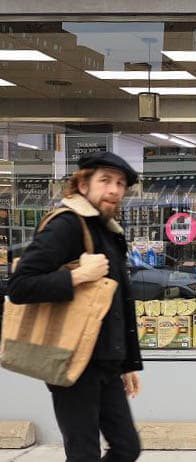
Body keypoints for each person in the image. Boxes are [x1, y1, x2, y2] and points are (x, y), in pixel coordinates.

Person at [8, 152, 143, 462]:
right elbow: (20, 286)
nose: (114, 190)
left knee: (127, 448)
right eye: (105, 180)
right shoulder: (67, 225)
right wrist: (78, 275)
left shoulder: (107, 230)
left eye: (120, 184)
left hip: (105, 362)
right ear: (83, 185)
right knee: (83, 454)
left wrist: (127, 364)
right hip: (72, 361)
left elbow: (120, 303)